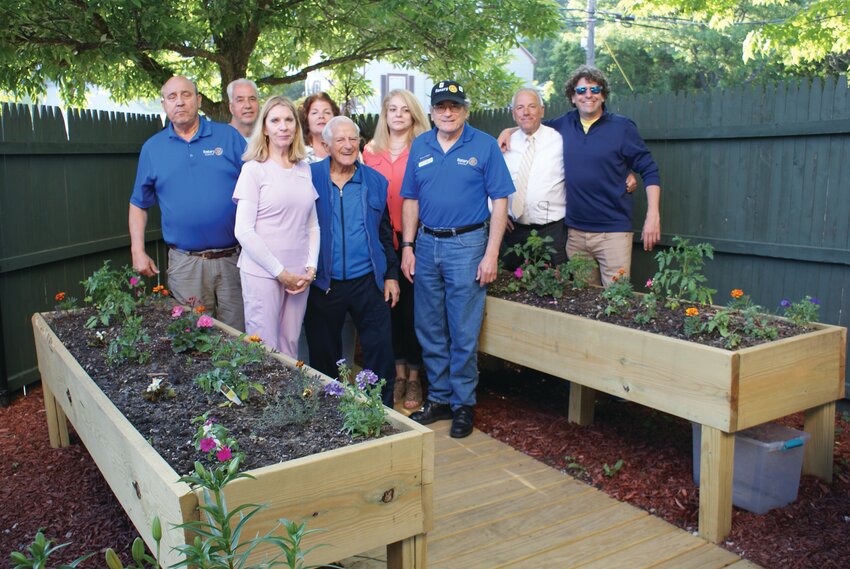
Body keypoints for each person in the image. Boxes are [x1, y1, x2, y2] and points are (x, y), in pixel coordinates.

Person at [400, 81, 513, 438]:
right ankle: (440, 398)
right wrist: (407, 246)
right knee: (430, 327)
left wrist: (491, 252)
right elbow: (410, 200)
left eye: (454, 106)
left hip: (468, 245)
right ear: (431, 112)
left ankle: (464, 403)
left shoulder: (483, 145)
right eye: (440, 107)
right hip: (427, 244)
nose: (447, 113)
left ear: (465, 109)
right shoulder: (421, 145)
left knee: (463, 330)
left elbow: (500, 201)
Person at [499, 65, 660, 286]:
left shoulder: (621, 128)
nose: (588, 95)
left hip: (612, 233)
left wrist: (652, 216)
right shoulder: (563, 125)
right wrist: (506, 131)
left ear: (603, 95)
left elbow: (650, 170)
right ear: (572, 97)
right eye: (581, 90)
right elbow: (530, 123)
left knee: (617, 298)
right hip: (575, 235)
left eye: (595, 90)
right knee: (581, 301)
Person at [129, 75, 246, 329]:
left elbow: (259, 188)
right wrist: (137, 251)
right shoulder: (153, 148)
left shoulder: (229, 138)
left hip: (234, 260)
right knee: (193, 340)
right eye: (172, 97)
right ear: (164, 105)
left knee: (241, 339)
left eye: (186, 95)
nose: (179, 102)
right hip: (186, 264)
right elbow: (139, 203)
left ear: (199, 100)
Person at [305, 116, 399, 405]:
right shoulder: (308, 177)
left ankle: (381, 412)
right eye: (340, 140)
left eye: (353, 139)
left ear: (360, 142)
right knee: (324, 357)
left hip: (368, 280)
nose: (347, 145)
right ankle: (331, 414)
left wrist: (391, 275)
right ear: (326, 144)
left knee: (380, 352)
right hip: (324, 282)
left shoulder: (374, 181)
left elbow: (385, 233)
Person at [232, 96, 319, 356]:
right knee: (264, 349)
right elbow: (243, 231)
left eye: (289, 120)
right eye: (276, 120)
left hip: (299, 276)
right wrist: (280, 272)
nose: (283, 126)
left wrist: (311, 267)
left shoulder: (304, 168)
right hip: (264, 274)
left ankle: (289, 398)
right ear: (265, 128)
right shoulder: (253, 170)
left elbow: (313, 225)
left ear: (296, 127)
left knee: (290, 345)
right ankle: (267, 399)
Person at [363, 89, 431, 410]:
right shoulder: (369, 151)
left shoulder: (425, 149)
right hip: (380, 244)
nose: (399, 115)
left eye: (405, 110)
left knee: (413, 312)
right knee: (387, 313)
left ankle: (415, 379)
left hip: (413, 241)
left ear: (414, 114)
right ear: (385, 114)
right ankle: (398, 375)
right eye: (392, 109)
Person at [500, 87, 567, 271]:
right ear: (514, 113)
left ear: (542, 110)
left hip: (552, 231)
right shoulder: (504, 144)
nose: (526, 112)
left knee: (553, 288)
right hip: (514, 231)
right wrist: (497, 212)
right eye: (520, 107)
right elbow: (491, 181)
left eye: (532, 106)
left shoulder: (560, 140)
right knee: (514, 290)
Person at [299, 92, 341, 164]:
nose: (321, 116)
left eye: (327, 112)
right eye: (314, 113)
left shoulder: (347, 148)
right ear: (306, 119)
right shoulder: (298, 154)